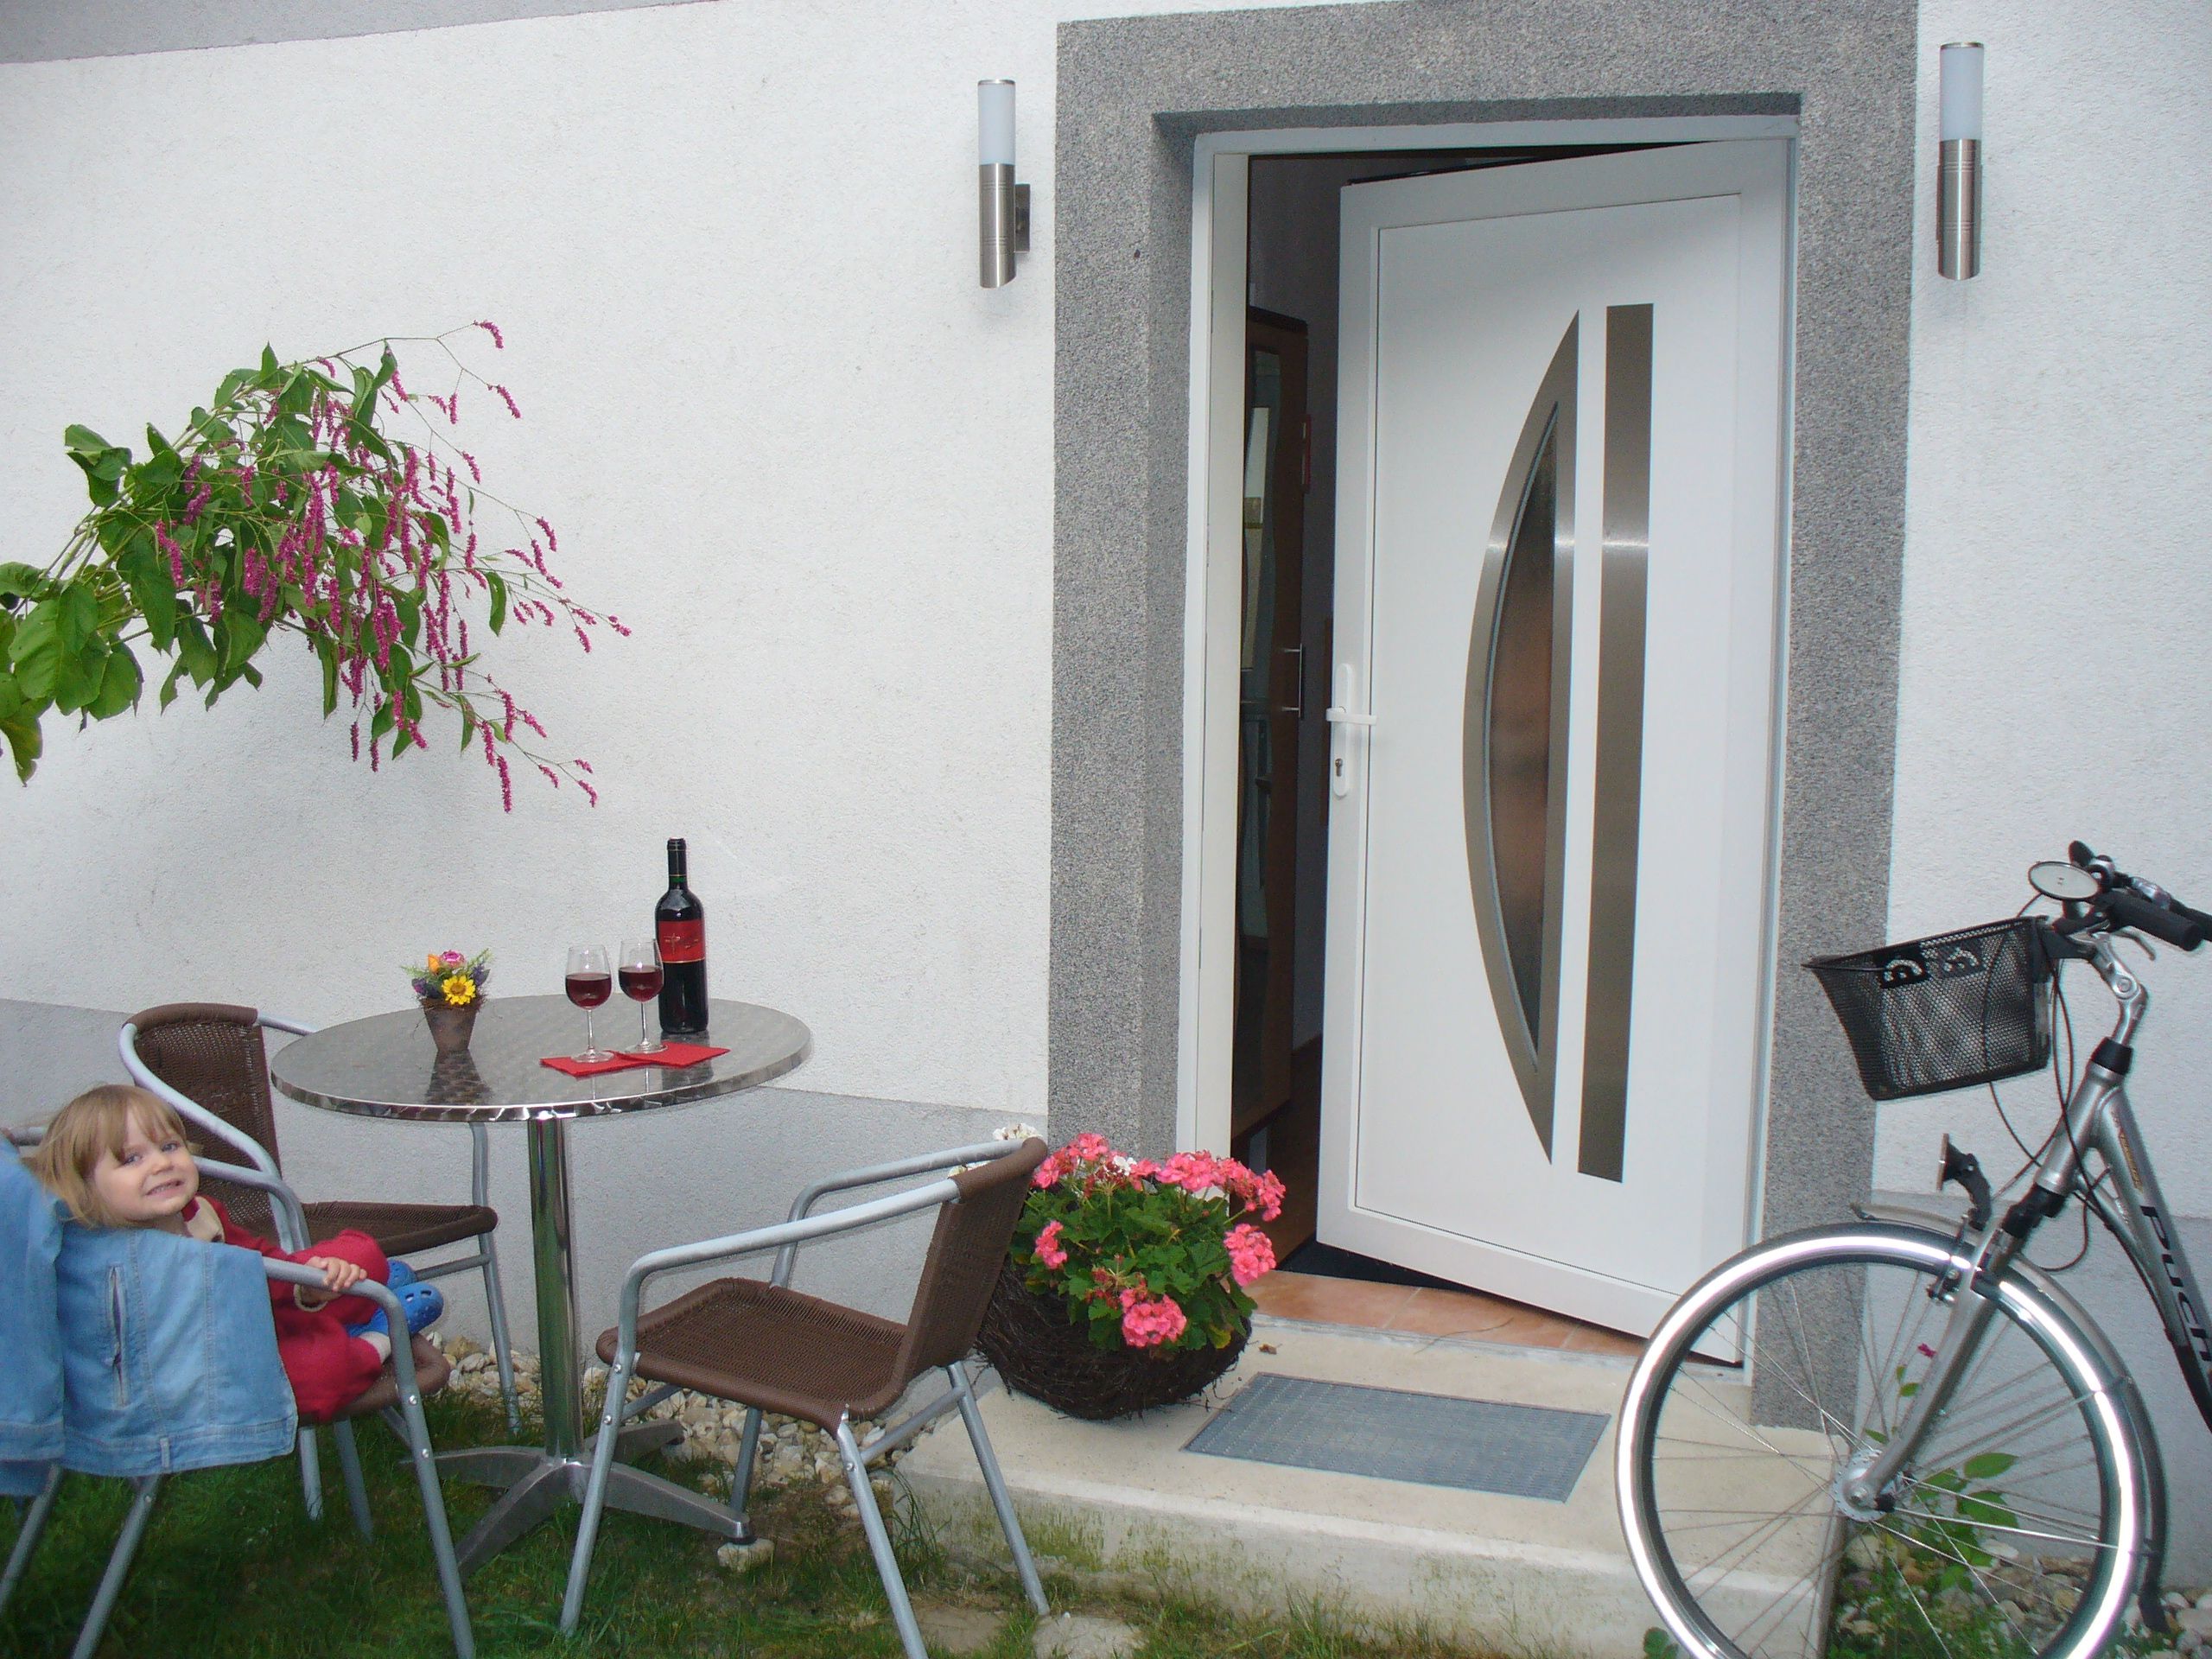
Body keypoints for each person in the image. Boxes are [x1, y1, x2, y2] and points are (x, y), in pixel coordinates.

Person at [25, 1084, 442, 1424]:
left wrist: (313, 1284)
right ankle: (381, 1334)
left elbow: (264, 1263)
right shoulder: (100, 1258)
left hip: (258, 1316)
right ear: (84, 1184)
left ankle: (363, 1290)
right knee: (317, 1376)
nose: (160, 1165)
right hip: (207, 1369)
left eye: (169, 1147)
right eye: (132, 1158)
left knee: (362, 1253)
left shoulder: (201, 1214)